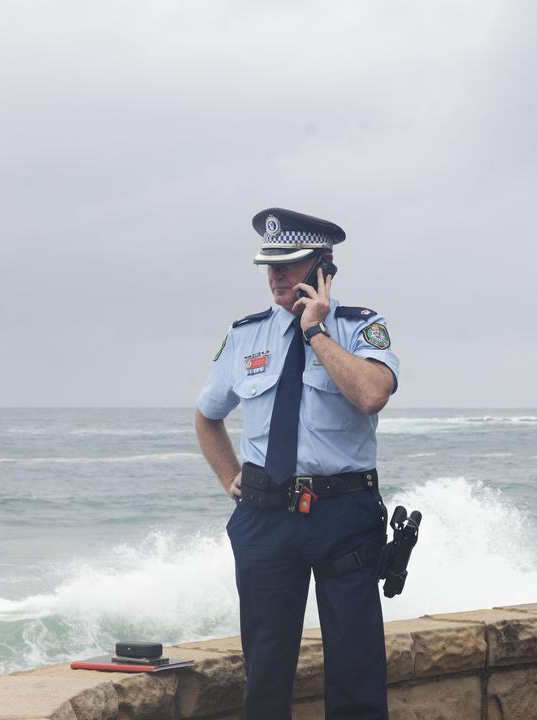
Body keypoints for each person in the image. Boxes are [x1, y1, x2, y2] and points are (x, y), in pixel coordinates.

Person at [195, 208, 398, 719]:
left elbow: (372, 394)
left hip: (344, 516)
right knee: (264, 671)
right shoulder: (245, 335)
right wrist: (229, 478)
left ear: (323, 268)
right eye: (269, 265)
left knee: (356, 671)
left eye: (288, 264)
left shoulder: (360, 327)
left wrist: (316, 333)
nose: (275, 275)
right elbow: (207, 416)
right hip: (265, 519)